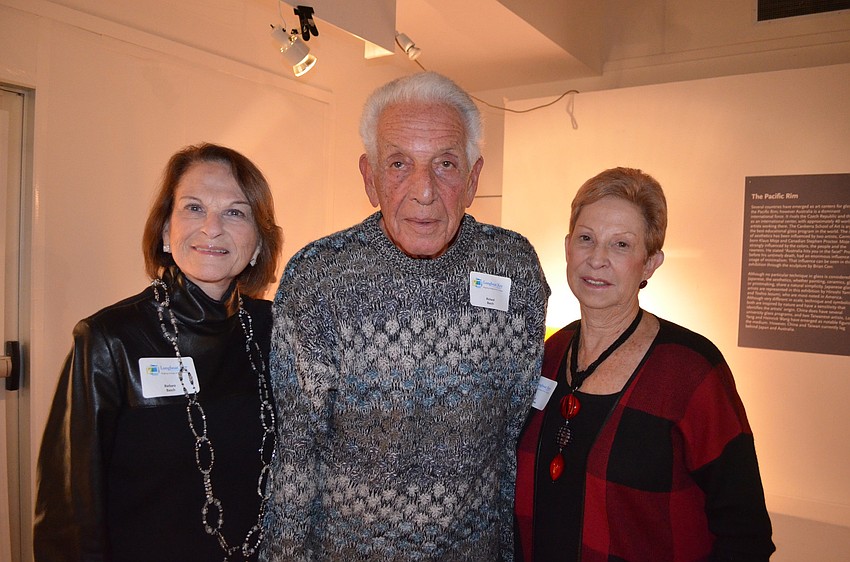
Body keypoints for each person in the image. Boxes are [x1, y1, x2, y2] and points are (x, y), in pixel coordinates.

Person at [260, 71, 550, 561]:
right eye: (399, 163)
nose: (423, 191)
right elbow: (296, 451)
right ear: (369, 177)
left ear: (473, 178)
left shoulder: (513, 267)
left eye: (445, 164)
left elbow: (511, 431)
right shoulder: (319, 277)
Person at [34, 143, 283, 561]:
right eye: (193, 208)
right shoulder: (109, 339)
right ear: (167, 231)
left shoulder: (277, 328)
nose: (212, 228)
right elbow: (70, 514)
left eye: (235, 212)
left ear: (258, 242)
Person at [515, 167, 775, 561]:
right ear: (569, 247)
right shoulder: (549, 354)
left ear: (650, 263)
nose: (597, 259)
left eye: (621, 245)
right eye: (586, 239)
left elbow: (745, 531)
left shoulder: (691, 370)